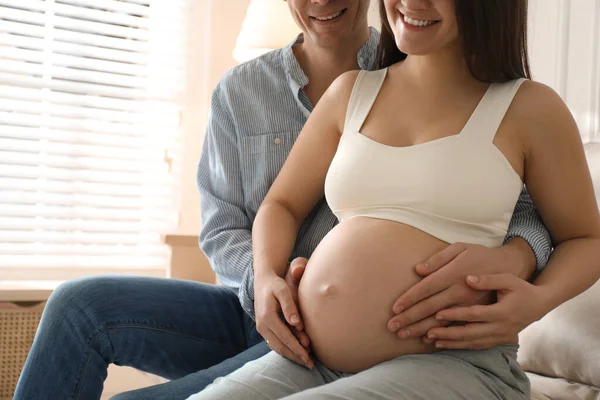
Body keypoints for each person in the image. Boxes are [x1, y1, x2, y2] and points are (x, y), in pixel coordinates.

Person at [13, 0, 552, 399]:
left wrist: (515, 258)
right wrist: (269, 285)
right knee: (78, 305)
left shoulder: (425, 62)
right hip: (258, 306)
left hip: (340, 337)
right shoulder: (244, 91)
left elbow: (522, 212)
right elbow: (226, 225)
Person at [186, 0, 600, 398]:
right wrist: (267, 278)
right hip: (311, 356)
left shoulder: (530, 108)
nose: (411, 3)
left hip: (457, 363)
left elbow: (585, 240)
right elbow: (282, 205)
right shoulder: (350, 93)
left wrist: (537, 300)